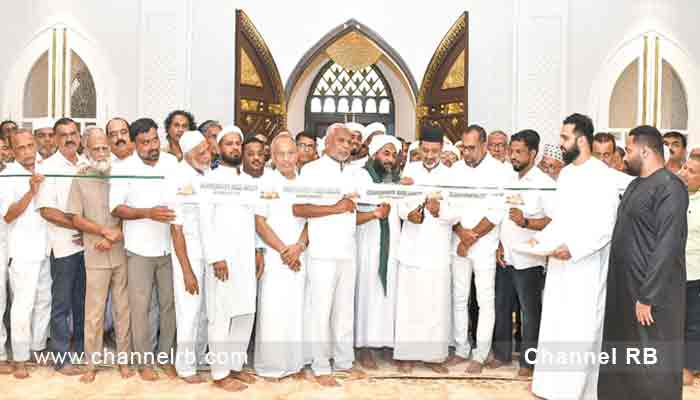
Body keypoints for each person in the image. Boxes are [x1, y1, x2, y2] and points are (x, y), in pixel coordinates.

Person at [530, 113, 619, 399]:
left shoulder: (602, 176)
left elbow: (606, 227)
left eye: (565, 137)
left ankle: (575, 393)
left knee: (580, 331)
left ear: (581, 140)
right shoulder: (567, 174)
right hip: (559, 265)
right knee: (556, 326)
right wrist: (541, 240)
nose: (561, 143)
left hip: (586, 267)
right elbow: (561, 219)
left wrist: (574, 248)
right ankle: (550, 389)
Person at [599, 125, 688, 400]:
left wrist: (648, 295)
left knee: (652, 366)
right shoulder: (635, 184)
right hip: (625, 291)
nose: (625, 156)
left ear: (646, 151)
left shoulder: (671, 187)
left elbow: (668, 245)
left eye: (629, 150)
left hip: (649, 297)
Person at [292, 123, 367, 386]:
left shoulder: (355, 173)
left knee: (345, 311)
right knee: (320, 311)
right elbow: (299, 208)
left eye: (350, 142)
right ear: (327, 142)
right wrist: (336, 208)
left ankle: (344, 362)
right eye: (341, 141)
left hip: (348, 250)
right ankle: (321, 366)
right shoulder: (311, 170)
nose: (346, 146)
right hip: (322, 251)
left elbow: (372, 198)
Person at [110, 118, 178, 381]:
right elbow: (117, 208)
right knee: (140, 307)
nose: (152, 146)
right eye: (145, 142)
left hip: (170, 247)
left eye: (155, 140)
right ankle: (144, 362)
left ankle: (165, 358)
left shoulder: (171, 163)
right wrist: (147, 213)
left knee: (169, 305)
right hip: (138, 249)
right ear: (134, 144)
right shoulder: (123, 168)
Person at [66, 127, 133, 383]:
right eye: (97, 148)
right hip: (95, 252)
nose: (103, 152)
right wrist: (104, 232)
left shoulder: (121, 174)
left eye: (105, 147)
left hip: (121, 251)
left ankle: (124, 361)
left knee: (123, 309)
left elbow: (131, 210)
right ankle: (91, 364)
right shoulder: (80, 178)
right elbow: (76, 218)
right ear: (86, 150)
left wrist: (117, 234)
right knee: (93, 312)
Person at [449, 124, 513, 374]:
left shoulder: (501, 172)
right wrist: (460, 233)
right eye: (464, 148)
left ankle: (480, 354)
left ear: (484, 145)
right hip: (458, 241)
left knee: (485, 300)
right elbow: (448, 206)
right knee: (459, 297)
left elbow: (496, 213)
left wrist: (470, 238)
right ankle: (461, 348)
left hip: (484, 244)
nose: (466, 153)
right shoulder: (455, 170)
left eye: (472, 148)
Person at [199, 125, 259, 391]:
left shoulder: (249, 182)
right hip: (222, 260)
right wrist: (215, 257)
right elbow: (205, 222)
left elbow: (255, 220)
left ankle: (235, 366)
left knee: (245, 312)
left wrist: (258, 251)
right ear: (218, 148)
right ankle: (220, 373)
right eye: (229, 143)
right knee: (220, 316)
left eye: (237, 143)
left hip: (246, 257)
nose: (234, 147)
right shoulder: (209, 181)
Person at [490, 130, 553, 378]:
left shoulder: (545, 183)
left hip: (530, 259)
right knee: (502, 307)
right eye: (511, 151)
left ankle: (528, 362)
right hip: (506, 256)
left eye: (519, 152)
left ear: (533, 154)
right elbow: (502, 216)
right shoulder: (508, 177)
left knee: (530, 314)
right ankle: (502, 355)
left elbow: (552, 221)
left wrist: (526, 221)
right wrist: (500, 245)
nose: (513, 156)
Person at [394, 126, 456, 374]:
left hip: (437, 248)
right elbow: (399, 204)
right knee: (410, 304)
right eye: (426, 150)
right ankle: (406, 355)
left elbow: (457, 212)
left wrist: (440, 211)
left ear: (442, 149)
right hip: (412, 246)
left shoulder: (451, 175)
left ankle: (433, 356)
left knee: (435, 304)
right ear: (419, 148)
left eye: (434, 151)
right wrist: (408, 214)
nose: (430, 155)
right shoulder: (409, 170)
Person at [254, 133, 309, 380]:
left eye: (291, 153)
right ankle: (272, 365)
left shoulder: (306, 182)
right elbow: (260, 222)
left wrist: (299, 247)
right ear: (273, 157)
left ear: (297, 155)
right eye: (281, 154)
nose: (286, 159)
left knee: (297, 309)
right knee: (273, 311)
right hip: (276, 256)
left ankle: (294, 363)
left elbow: (312, 219)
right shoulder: (265, 182)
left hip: (301, 254)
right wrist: (284, 251)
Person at [36, 118, 87, 376]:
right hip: (63, 247)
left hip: (88, 247)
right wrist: (82, 227)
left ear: (79, 136)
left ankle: (79, 352)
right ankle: (61, 358)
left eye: (73, 133)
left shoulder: (87, 163)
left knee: (83, 303)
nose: (69, 138)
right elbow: (47, 211)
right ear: (55, 139)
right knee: (61, 305)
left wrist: (89, 230)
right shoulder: (48, 167)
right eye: (63, 134)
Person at [0, 129, 50, 379]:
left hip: (47, 247)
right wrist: (31, 192)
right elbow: (8, 215)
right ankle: (19, 358)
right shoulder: (7, 176)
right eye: (21, 147)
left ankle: (37, 349)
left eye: (31, 145)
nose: (28, 151)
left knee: (44, 301)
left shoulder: (46, 167)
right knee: (23, 305)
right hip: (21, 251)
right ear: (11, 151)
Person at [354, 135, 402, 370]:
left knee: (389, 294)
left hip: (393, 245)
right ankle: (364, 346)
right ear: (374, 154)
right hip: (368, 243)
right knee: (368, 293)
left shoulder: (396, 180)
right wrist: (375, 213)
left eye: (393, 155)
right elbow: (354, 209)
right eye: (386, 153)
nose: (390, 159)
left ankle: (386, 344)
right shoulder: (361, 176)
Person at [168, 131, 212, 383]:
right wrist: (186, 270)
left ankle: (199, 357)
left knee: (205, 311)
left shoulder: (207, 174)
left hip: (208, 253)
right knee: (189, 311)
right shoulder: (178, 177)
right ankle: (185, 367)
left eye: (207, 149)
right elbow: (176, 229)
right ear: (187, 155)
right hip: (188, 254)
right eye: (201, 152)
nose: (207, 155)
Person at [679, 153, 700, 385]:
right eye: (685, 167)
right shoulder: (675, 196)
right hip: (671, 273)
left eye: (691, 171)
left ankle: (689, 367)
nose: (684, 173)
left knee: (693, 324)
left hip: (695, 275)